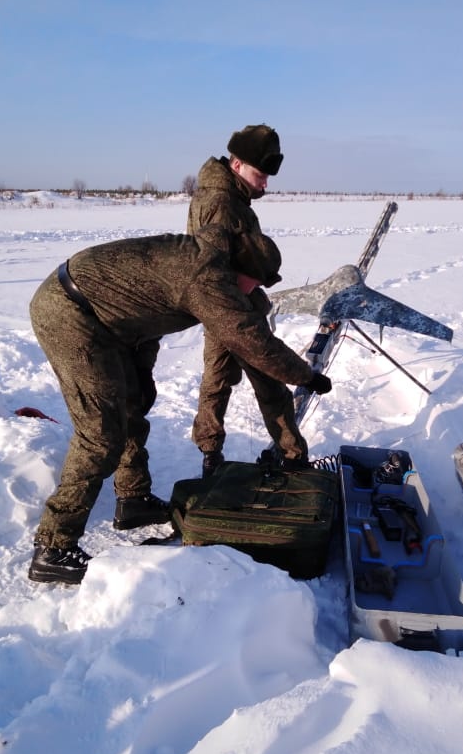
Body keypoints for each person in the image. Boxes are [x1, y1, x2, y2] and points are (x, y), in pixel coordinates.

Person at [27, 230, 332, 586]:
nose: (252, 292)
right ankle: (53, 547)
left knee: (132, 407)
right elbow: (253, 342)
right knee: (100, 435)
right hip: (70, 313)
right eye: (253, 283)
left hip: (111, 323)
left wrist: (140, 373)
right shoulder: (207, 279)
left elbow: (146, 310)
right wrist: (305, 376)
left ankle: (133, 499)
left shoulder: (209, 266)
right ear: (239, 270)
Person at [187, 124, 309, 478]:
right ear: (237, 164)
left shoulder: (223, 194)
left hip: (220, 306)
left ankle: (210, 456)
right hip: (232, 308)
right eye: (261, 174)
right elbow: (211, 266)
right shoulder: (223, 204)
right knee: (270, 381)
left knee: (217, 378)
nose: (266, 183)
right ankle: (293, 457)